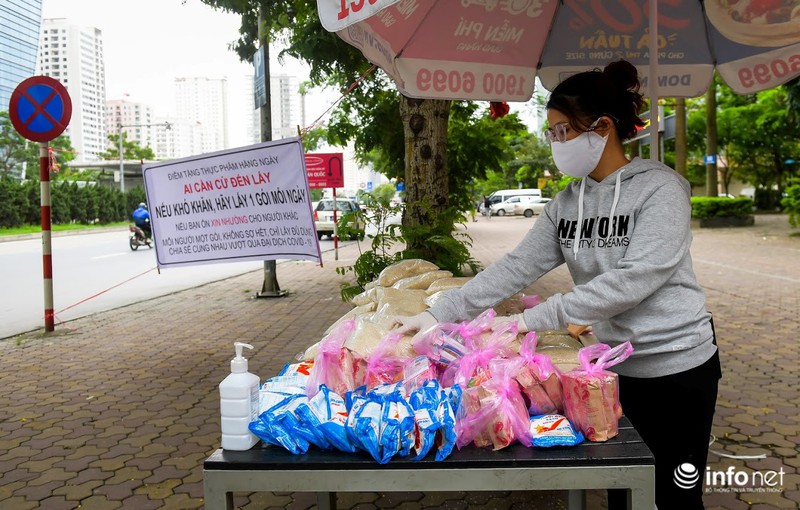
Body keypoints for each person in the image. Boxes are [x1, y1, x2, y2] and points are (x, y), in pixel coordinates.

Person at [394, 59, 721, 510]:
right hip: (611, 370)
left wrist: (525, 321)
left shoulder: (662, 189)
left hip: (677, 368)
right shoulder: (566, 203)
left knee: (676, 496)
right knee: (624, 489)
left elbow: (634, 279)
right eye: (552, 133)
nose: (556, 142)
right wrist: (439, 313)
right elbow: (516, 266)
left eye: (563, 130)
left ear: (602, 127)